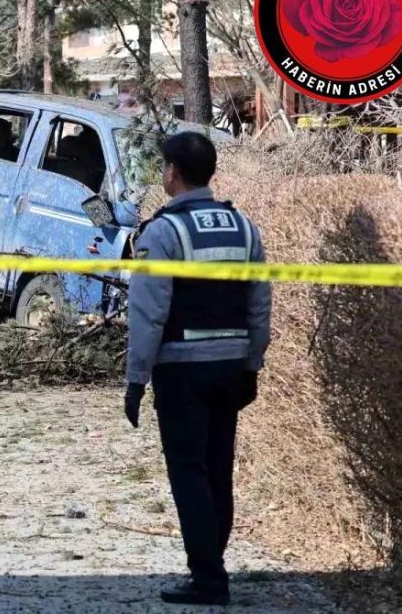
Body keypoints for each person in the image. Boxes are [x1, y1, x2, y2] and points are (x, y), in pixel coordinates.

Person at [123, 131, 272, 606]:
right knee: (217, 470)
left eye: (164, 166)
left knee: (188, 472)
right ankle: (213, 566)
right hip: (231, 368)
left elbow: (149, 312)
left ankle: (208, 578)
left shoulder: (164, 232)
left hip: (182, 370)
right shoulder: (244, 227)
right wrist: (253, 363)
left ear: (172, 172)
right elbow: (259, 304)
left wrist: (135, 378)